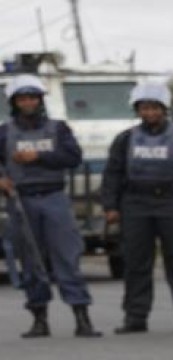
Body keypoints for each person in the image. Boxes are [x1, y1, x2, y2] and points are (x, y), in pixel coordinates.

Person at [101, 83, 173, 333]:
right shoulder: (126, 138)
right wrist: (110, 206)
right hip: (135, 204)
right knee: (136, 262)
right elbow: (113, 173)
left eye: (154, 108)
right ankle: (135, 317)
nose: (149, 113)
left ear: (164, 109)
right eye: (144, 108)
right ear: (137, 110)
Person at [0, 74, 101, 338]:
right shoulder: (5, 131)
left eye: (32, 97)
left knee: (67, 258)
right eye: (22, 98)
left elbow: (73, 157)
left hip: (55, 197)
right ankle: (39, 320)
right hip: (21, 201)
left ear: (40, 100)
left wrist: (39, 156)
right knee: (31, 260)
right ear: (15, 102)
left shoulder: (58, 129)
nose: (28, 102)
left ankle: (82, 318)